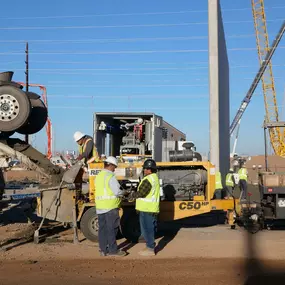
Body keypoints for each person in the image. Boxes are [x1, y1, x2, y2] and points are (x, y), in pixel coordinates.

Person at [95, 156, 127, 257]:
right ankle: (113, 250)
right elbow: (117, 192)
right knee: (112, 229)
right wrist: (124, 193)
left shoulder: (99, 175)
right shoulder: (110, 176)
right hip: (110, 206)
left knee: (102, 229)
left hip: (100, 207)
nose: (115, 169)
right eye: (114, 167)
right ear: (110, 165)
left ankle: (103, 250)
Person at [129, 158, 160, 256]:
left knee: (147, 229)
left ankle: (150, 249)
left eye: (145, 168)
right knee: (148, 229)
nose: (144, 170)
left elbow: (142, 193)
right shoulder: (154, 178)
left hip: (147, 209)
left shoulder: (148, 179)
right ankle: (149, 246)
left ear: (149, 169)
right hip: (149, 208)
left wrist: (131, 195)